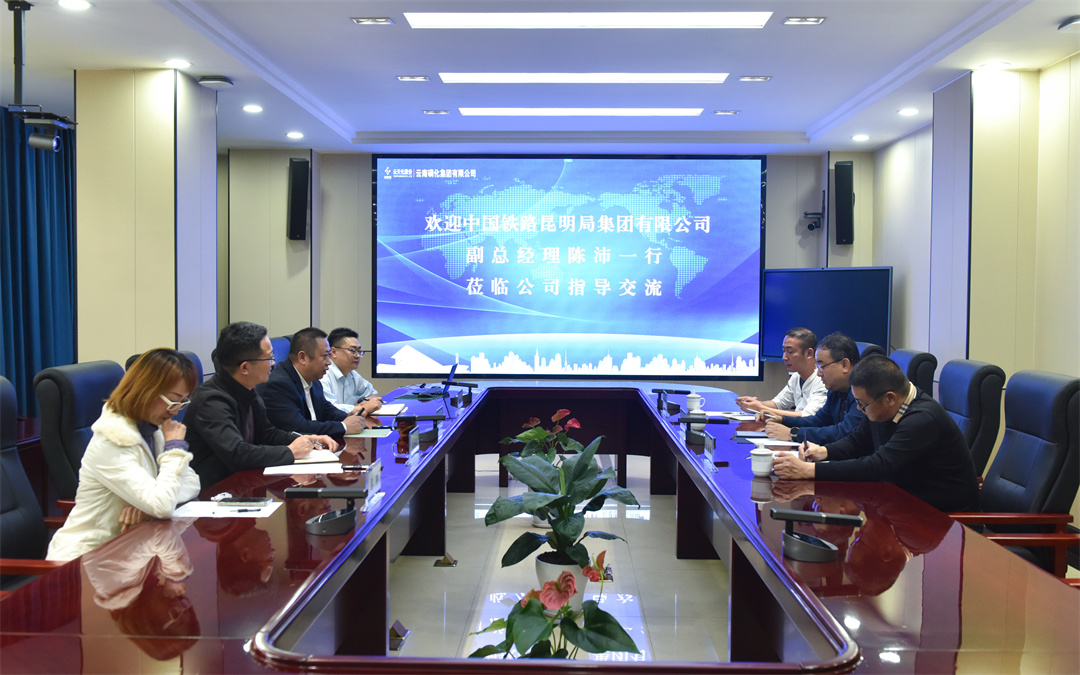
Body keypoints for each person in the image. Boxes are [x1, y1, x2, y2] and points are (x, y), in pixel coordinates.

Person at [46, 349, 202, 561]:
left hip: (128, 552)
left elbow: (192, 482)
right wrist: (175, 449)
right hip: (85, 559)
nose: (175, 411)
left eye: (183, 402)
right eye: (173, 401)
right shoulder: (113, 440)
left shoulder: (152, 429)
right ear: (146, 390)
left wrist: (150, 507)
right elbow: (162, 505)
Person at [773, 355, 980, 513]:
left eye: (862, 404)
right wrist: (824, 452)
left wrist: (808, 470)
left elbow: (879, 466)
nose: (859, 409)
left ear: (890, 398)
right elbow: (857, 442)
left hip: (943, 519)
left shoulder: (922, 419)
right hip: (903, 502)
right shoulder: (885, 407)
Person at [186, 322, 335, 488]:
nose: (273, 363)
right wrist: (290, 452)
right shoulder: (212, 401)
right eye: (269, 358)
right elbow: (237, 453)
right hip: (214, 492)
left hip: (244, 485)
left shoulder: (248, 389)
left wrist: (306, 438)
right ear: (245, 367)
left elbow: (268, 434)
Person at [259, 327, 367, 436]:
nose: (329, 362)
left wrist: (348, 417)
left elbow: (326, 409)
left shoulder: (313, 378)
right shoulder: (278, 385)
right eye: (325, 356)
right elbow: (298, 428)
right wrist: (344, 427)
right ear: (302, 357)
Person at [763, 332, 867, 444]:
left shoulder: (864, 392)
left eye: (822, 366)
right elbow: (817, 421)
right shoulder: (836, 391)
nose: (818, 373)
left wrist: (793, 433)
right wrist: (782, 419)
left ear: (845, 365)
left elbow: (844, 432)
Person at [736, 328, 826, 418]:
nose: (784, 357)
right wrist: (754, 404)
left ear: (809, 353)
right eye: (784, 351)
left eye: (790, 352)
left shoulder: (823, 380)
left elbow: (808, 416)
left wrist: (761, 408)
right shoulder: (796, 376)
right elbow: (778, 403)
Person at [321, 327, 382, 416]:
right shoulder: (323, 375)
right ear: (333, 352)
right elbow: (329, 409)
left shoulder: (352, 375)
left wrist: (365, 402)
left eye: (359, 351)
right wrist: (363, 408)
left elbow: (373, 394)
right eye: (353, 350)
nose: (358, 356)